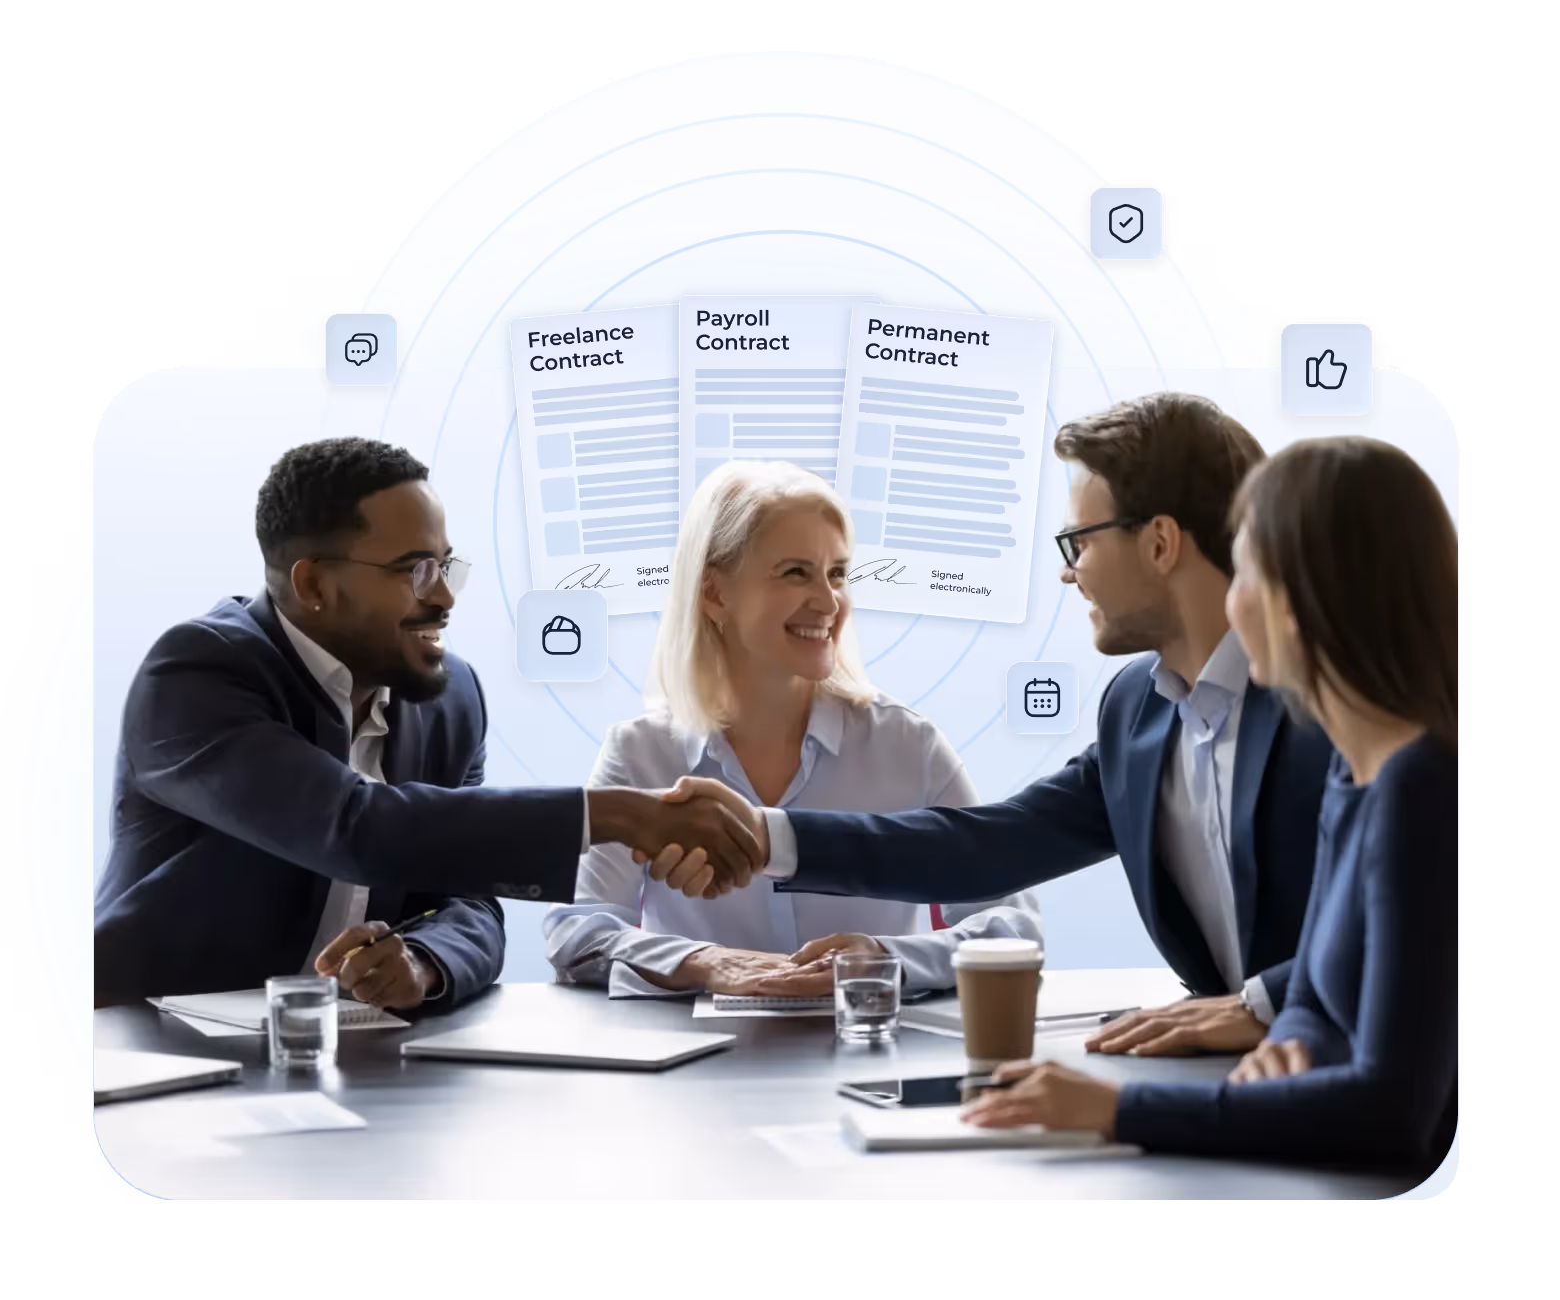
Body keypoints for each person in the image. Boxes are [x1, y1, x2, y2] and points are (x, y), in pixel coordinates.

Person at [646, 393, 1335, 1051]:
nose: (1071, 574)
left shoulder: (1341, 698)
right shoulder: (1140, 711)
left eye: (1080, 542)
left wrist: (1262, 1004)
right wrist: (762, 835)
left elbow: (1420, 913)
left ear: (1159, 544)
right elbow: (987, 845)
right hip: (1237, 1086)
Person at [94, 439, 763, 1009]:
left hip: (353, 1059)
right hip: (156, 1049)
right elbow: (353, 826)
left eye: (445, 566)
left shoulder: (450, 699)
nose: (443, 595)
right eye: (414, 570)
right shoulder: (198, 675)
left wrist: (421, 962)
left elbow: (469, 901)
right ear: (315, 586)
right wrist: (619, 815)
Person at [961, 438, 1457, 1171]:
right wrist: (1292, 1049)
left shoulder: (1422, 787)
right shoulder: (1356, 779)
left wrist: (1114, 1108)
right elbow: (1318, 1001)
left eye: (1248, 569)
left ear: (1310, 594)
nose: (1229, 598)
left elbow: (1395, 1112)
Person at [544, 461, 1043, 998]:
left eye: (838, 574)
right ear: (714, 594)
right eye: (795, 573)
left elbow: (1011, 927)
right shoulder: (641, 752)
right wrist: (703, 962)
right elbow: (577, 931)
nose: (829, 603)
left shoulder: (908, 746)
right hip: (697, 1071)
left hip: (868, 1056)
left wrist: (883, 958)